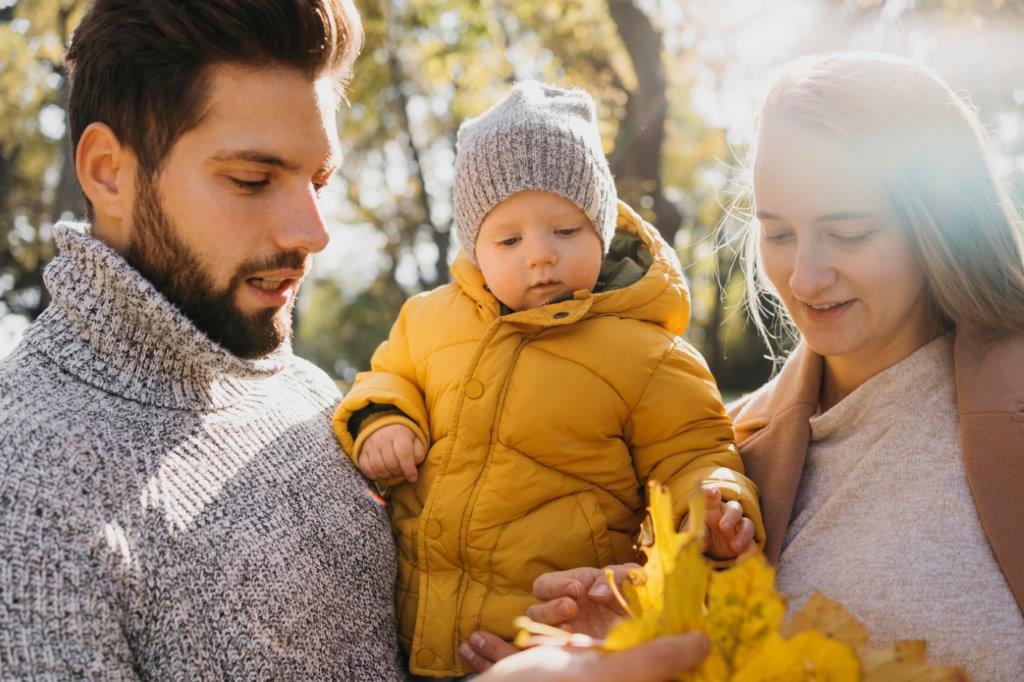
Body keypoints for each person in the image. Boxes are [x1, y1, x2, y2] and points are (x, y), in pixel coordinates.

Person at [462, 52, 1024, 681]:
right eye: (779, 234)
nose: (805, 278)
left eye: (851, 233)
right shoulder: (719, 460)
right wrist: (640, 642)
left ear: (941, 222)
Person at [0, 1, 411, 678]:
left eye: (318, 181)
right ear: (109, 172)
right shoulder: (25, 488)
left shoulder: (308, 395)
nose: (312, 232)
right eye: (253, 180)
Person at [331, 81, 764, 676]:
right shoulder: (429, 319)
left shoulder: (646, 354)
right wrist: (384, 420)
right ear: (475, 247)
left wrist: (710, 513)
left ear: (603, 229)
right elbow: (386, 377)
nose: (539, 255)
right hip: (413, 632)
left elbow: (694, 451)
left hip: (553, 639)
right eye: (509, 239)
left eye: (565, 231)